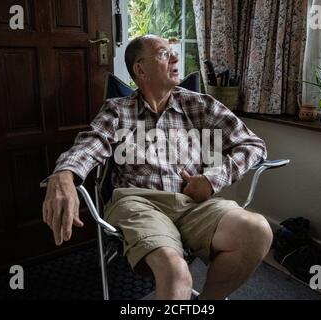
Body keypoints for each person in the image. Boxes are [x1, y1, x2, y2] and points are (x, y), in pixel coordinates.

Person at [42, 35, 272, 300]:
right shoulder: (118, 111)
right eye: (164, 54)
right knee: (176, 273)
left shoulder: (199, 105)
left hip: (193, 204)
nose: (175, 58)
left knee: (257, 231)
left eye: (173, 52)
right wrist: (64, 174)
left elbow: (253, 145)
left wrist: (213, 180)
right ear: (140, 69)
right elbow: (90, 144)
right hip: (139, 203)